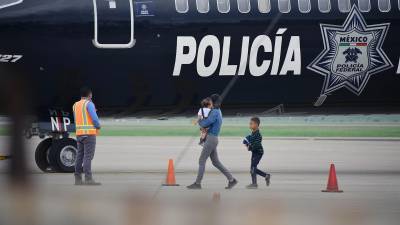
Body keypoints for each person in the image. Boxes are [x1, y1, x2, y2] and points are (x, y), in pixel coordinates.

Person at [187, 94, 238, 189]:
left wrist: (198, 121)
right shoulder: (218, 111)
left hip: (211, 139)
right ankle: (232, 180)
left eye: (211, 101)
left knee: (201, 161)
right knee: (215, 162)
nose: (209, 102)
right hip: (213, 138)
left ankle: (197, 184)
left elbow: (206, 123)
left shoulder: (214, 112)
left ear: (213, 102)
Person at [72, 87, 101, 185]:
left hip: (79, 134)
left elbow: (76, 120)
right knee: (88, 157)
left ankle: (78, 179)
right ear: (90, 95)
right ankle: (88, 179)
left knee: (79, 156)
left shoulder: (75, 105)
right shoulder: (89, 104)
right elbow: (95, 119)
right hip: (89, 134)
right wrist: (98, 126)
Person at [243, 117, 270, 189]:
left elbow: (256, 145)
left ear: (256, 125)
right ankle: (263, 178)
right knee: (253, 168)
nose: (249, 125)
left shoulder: (258, 135)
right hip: (255, 153)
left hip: (258, 153)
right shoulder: (253, 133)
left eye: (251, 124)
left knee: (253, 168)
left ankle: (256, 183)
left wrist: (249, 147)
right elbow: (250, 138)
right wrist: (245, 140)